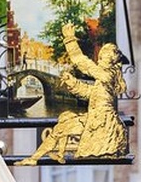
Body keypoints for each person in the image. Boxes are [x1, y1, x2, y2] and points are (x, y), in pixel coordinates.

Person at [16, 23, 128, 166]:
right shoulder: (103, 80)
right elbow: (89, 92)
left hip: (103, 126)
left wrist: (69, 39)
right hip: (96, 120)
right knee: (63, 121)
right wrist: (72, 82)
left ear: (111, 62)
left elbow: (83, 63)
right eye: (99, 57)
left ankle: (39, 157)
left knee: (62, 126)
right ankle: (39, 158)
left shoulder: (107, 75)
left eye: (102, 58)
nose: (98, 60)